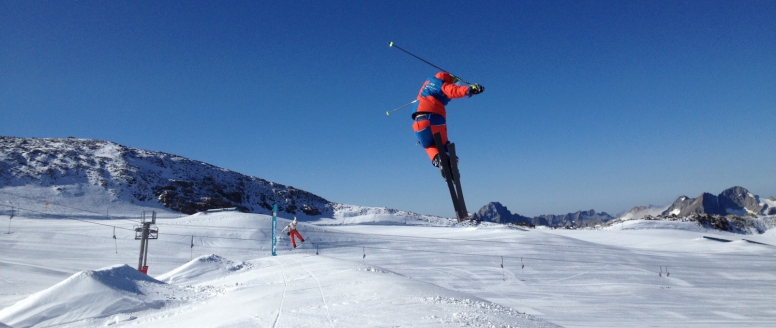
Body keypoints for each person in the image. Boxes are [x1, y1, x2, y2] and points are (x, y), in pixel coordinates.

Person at [411, 72, 484, 177]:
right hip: (436, 119)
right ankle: (450, 163)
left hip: (419, 123)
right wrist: (470, 89)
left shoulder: (425, 88)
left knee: (428, 145)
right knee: (444, 145)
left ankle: (438, 159)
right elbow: (452, 91)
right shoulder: (440, 83)